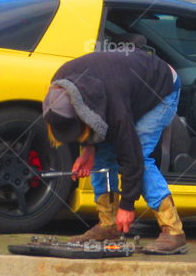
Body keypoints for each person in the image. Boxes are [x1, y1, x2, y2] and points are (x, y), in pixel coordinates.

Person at [42, 49, 187, 255]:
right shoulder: (59, 85)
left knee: (142, 156)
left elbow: (132, 158)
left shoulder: (115, 108)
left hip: (161, 87)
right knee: (101, 159)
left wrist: (127, 206)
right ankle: (107, 225)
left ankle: (173, 231)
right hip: (124, 87)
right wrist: (88, 151)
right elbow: (89, 117)